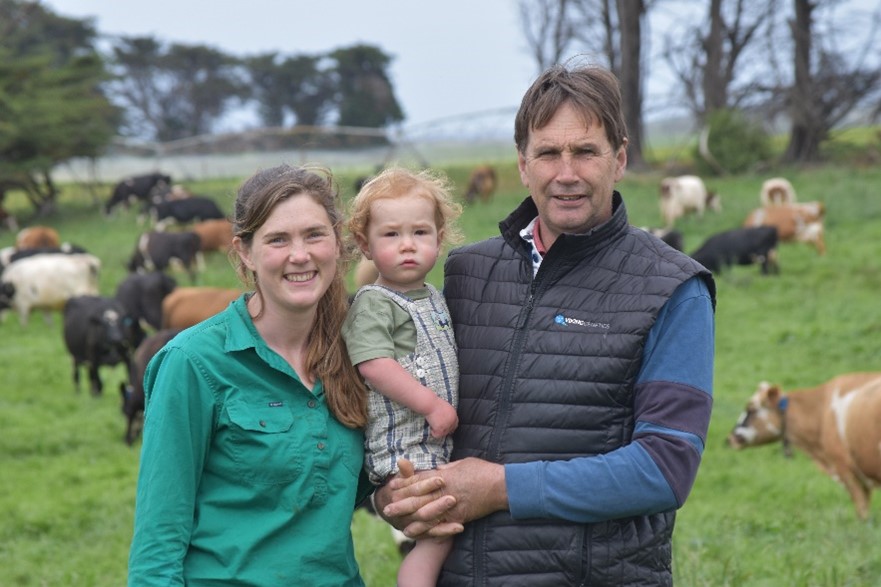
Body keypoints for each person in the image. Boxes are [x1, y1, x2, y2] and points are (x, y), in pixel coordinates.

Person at [376, 62, 717, 586]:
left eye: (586, 151)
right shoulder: (467, 272)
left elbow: (664, 468)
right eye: (548, 153)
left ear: (620, 159)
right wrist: (391, 491)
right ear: (522, 164)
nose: (567, 173)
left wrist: (500, 487)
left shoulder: (672, 287)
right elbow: (402, 403)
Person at [127, 164, 372, 586]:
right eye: (278, 239)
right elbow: (158, 543)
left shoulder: (360, 355)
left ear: (337, 242)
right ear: (244, 251)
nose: (300, 255)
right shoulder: (192, 363)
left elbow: (348, 486)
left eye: (315, 235)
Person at [342, 167, 463, 587]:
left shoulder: (432, 296)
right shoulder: (374, 303)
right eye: (391, 234)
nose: (407, 245)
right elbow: (373, 364)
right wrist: (431, 405)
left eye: (420, 233)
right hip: (406, 445)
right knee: (434, 537)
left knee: (446, 532)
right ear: (365, 245)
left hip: (433, 440)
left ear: (439, 238)